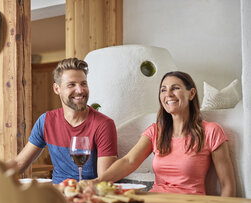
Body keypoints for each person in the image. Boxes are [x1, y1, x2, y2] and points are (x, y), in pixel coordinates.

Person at [0, 58, 118, 184]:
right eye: (72, 85)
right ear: (57, 89)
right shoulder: (46, 121)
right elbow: (19, 164)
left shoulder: (103, 125)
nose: (80, 90)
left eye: (83, 84)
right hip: (55, 197)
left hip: (88, 197)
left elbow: (105, 180)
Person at [96, 71, 236, 196]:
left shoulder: (211, 131)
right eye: (163, 90)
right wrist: (97, 181)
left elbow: (227, 185)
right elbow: (129, 161)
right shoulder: (155, 131)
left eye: (175, 88)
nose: (168, 94)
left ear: (191, 93)